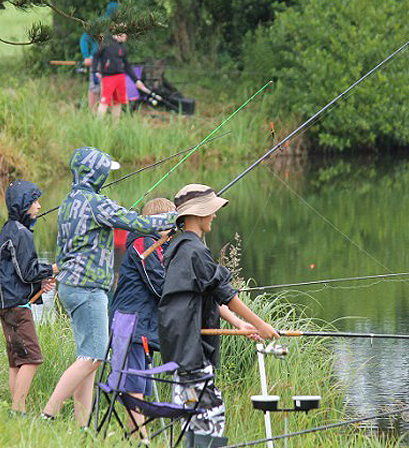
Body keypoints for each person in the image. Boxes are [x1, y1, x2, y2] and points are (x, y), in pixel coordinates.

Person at [42, 146, 175, 426]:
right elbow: (138, 222)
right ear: (96, 173)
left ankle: (82, 427)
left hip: (69, 287)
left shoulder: (69, 201)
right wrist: (174, 218)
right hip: (88, 288)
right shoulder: (96, 203)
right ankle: (48, 413)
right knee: (93, 357)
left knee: (87, 359)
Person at [159, 184, 279, 448]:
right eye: (211, 210)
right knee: (210, 415)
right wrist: (262, 324)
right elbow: (226, 293)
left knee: (192, 416)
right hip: (190, 350)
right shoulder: (194, 252)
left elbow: (208, 295)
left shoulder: (178, 248)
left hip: (180, 346)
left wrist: (240, 324)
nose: (214, 215)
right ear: (198, 214)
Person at [109, 197, 175, 441]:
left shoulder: (157, 246)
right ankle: (142, 438)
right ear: (159, 222)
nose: (174, 228)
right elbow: (159, 285)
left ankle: (133, 436)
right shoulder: (141, 243)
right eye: (171, 221)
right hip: (130, 322)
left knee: (140, 385)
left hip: (143, 325)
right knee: (134, 384)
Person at [0, 180, 55, 415]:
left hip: (6, 304)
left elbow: (16, 272)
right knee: (32, 358)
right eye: (34, 202)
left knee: (17, 360)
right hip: (16, 307)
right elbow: (28, 270)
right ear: (23, 204)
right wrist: (52, 269)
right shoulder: (21, 234)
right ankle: (17, 410)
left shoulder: (9, 228)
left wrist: (40, 284)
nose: (39, 206)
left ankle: (17, 410)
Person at [93, 32, 148, 120]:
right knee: (104, 101)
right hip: (108, 77)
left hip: (120, 77)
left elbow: (127, 65)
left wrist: (136, 80)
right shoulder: (106, 43)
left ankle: (116, 125)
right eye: (124, 34)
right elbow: (96, 56)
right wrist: (95, 70)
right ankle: (97, 125)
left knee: (118, 102)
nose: (126, 36)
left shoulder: (122, 47)